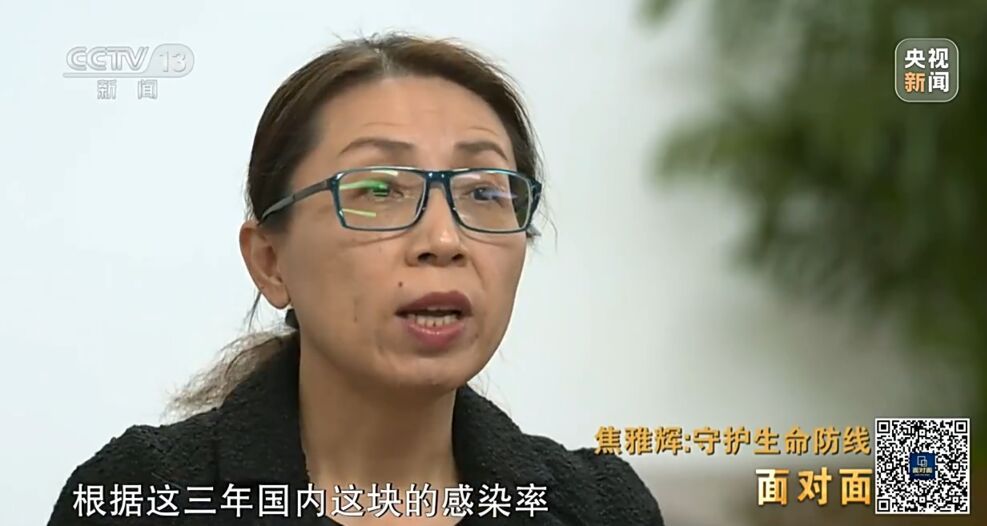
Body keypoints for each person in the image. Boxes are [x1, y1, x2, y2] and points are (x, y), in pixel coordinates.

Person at [47, 33, 664, 525]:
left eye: (483, 192)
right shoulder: (145, 497)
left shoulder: (597, 507)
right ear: (270, 262)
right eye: (378, 190)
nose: (443, 240)